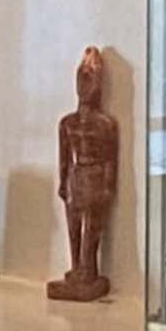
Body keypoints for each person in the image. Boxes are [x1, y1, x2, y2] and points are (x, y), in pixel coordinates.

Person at [50, 46, 123, 304]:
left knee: (91, 228)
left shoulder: (105, 124)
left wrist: (108, 185)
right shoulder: (67, 123)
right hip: (76, 175)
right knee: (72, 226)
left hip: (93, 174)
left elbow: (111, 159)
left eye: (90, 79)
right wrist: (62, 182)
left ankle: (88, 269)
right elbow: (63, 158)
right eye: (81, 79)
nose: (85, 86)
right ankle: (76, 268)